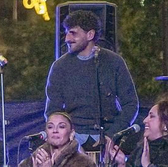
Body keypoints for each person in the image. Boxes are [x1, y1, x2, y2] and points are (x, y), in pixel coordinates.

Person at [44, 8, 138, 144]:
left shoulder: (114, 62)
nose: (67, 39)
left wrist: (112, 134)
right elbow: (53, 111)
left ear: (90, 35)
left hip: (109, 137)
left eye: (73, 33)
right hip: (73, 139)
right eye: (66, 33)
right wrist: (67, 138)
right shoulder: (59, 66)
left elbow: (131, 104)